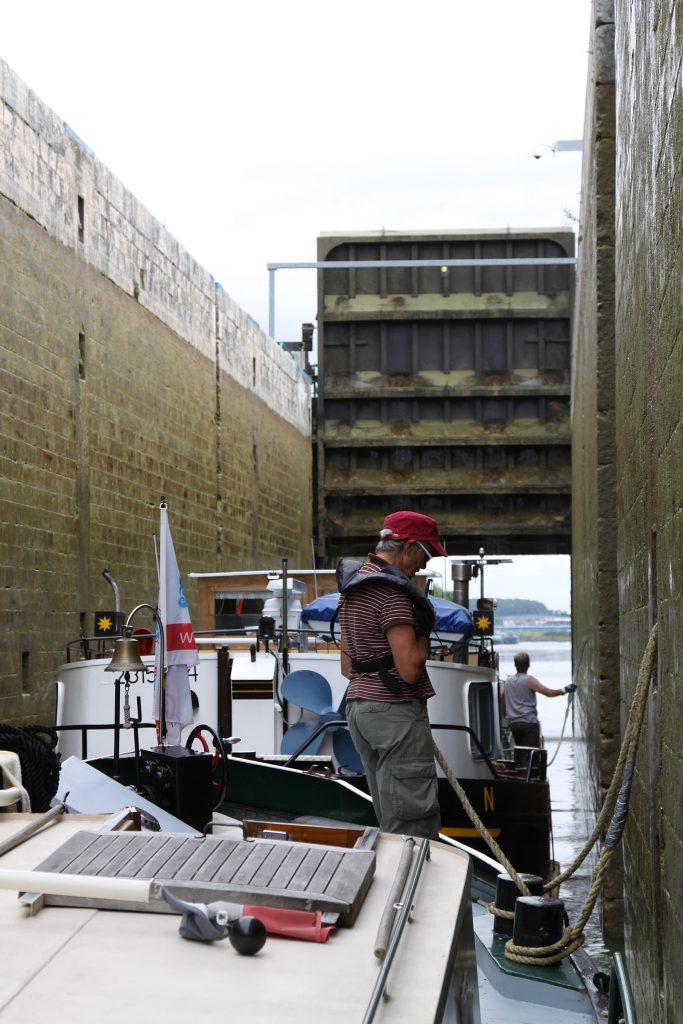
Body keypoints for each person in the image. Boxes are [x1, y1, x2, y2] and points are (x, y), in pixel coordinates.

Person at [337, 509, 447, 838]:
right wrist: (423, 631)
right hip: (394, 716)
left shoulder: (351, 590)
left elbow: (347, 668)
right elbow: (410, 669)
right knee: (412, 819)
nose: (424, 566)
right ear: (409, 546)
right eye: (424, 555)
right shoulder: (393, 594)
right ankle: (411, 885)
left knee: (389, 813)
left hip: (359, 711)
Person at [501, 651, 577, 748]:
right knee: (532, 754)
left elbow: (503, 703)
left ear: (515, 665)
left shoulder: (507, 682)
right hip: (529, 724)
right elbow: (549, 693)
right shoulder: (529, 680)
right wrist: (565, 689)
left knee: (520, 752)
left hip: (514, 724)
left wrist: (507, 715)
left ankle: (521, 763)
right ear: (528, 665)